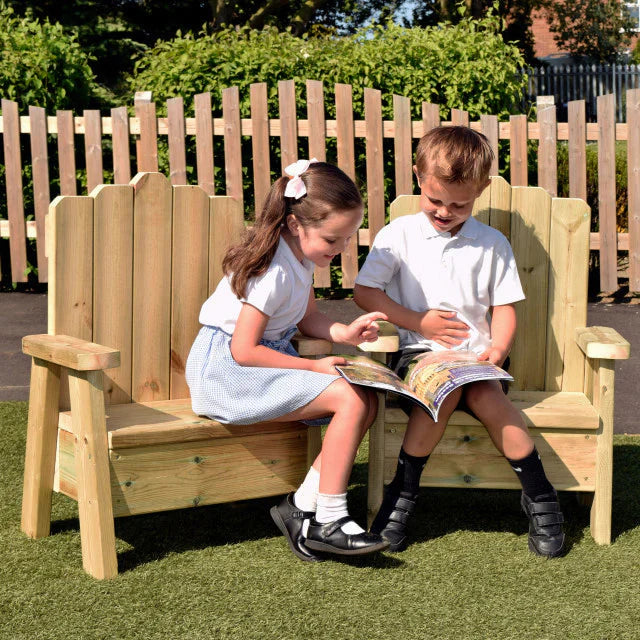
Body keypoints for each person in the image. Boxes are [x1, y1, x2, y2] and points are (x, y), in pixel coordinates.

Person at [353, 126, 565, 558]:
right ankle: (402, 497)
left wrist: (498, 349)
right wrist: (418, 322)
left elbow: (505, 308)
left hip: (476, 362)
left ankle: (540, 496)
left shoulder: (492, 244)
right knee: (445, 391)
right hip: (418, 358)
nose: (445, 211)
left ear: (481, 191)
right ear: (417, 176)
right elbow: (366, 293)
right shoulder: (399, 235)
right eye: (435, 201)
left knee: (488, 396)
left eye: (459, 204)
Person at [186, 159, 389, 562]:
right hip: (228, 372)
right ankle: (329, 520)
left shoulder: (300, 258)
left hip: (262, 362)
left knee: (367, 398)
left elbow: (307, 317)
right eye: (334, 240)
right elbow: (243, 350)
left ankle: (300, 507)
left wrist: (344, 335)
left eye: (348, 238)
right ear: (298, 226)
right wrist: (316, 366)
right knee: (350, 399)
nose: (342, 248)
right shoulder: (273, 270)